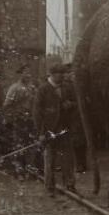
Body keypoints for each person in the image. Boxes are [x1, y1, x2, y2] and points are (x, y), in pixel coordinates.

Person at [33, 63, 76, 196]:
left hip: (64, 129)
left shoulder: (67, 88)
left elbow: (76, 103)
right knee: (50, 158)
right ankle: (50, 186)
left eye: (63, 74)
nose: (62, 76)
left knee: (67, 158)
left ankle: (69, 184)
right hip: (48, 129)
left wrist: (71, 105)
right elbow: (37, 113)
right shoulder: (43, 89)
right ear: (52, 75)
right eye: (60, 74)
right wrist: (40, 133)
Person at [3, 64, 37, 177]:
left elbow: (36, 104)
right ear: (21, 74)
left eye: (29, 72)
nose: (28, 75)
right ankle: (19, 169)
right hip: (19, 120)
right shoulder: (14, 88)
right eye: (25, 72)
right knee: (19, 144)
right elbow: (7, 105)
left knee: (31, 144)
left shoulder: (33, 88)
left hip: (31, 120)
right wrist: (15, 115)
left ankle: (29, 168)